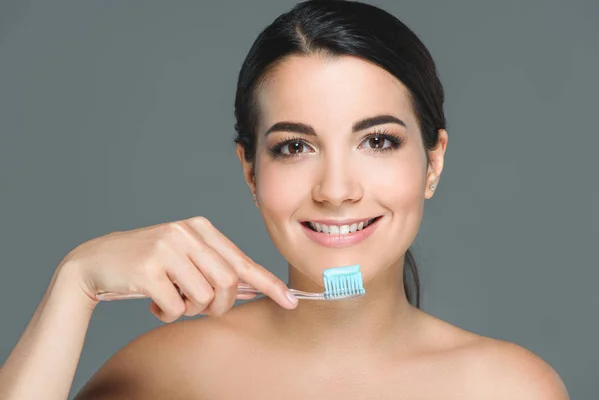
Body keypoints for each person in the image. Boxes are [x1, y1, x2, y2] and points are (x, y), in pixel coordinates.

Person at [0, 1, 569, 399]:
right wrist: (75, 283)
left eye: (377, 141)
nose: (336, 189)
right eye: (295, 146)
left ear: (433, 162)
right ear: (250, 170)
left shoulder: (509, 387)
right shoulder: (160, 376)